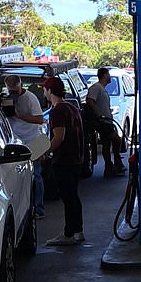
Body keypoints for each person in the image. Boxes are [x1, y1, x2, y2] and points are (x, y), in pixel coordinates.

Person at [43, 77, 85, 246]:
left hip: (64, 160)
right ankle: (78, 231)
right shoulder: (72, 108)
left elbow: (59, 137)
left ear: (50, 91)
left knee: (67, 197)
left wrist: (45, 152)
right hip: (76, 159)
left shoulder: (57, 111)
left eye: (45, 89)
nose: (44, 92)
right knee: (73, 196)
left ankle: (68, 233)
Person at [5, 75, 46, 220]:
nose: (13, 92)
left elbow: (39, 119)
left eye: (15, 89)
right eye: (10, 89)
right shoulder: (7, 98)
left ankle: (39, 208)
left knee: (36, 176)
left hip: (31, 141)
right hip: (14, 142)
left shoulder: (30, 98)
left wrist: (19, 115)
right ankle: (23, 209)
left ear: (20, 85)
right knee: (17, 179)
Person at [85, 67, 124, 177]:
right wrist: (98, 114)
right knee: (116, 139)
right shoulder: (96, 87)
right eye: (108, 74)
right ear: (104, 75)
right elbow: (90, 100)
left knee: (107, 144)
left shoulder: (102, 88)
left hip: (107, 120)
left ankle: (109, 167)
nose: (110, 77)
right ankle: (116, 163)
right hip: (103, 122)